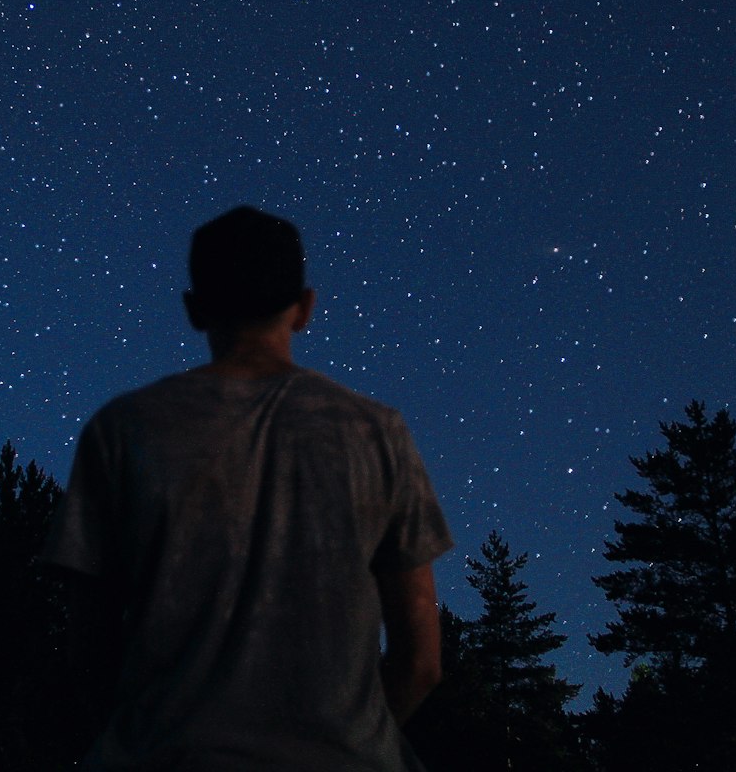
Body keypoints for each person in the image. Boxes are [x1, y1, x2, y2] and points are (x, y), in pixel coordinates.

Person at [45, 205, 452, 771]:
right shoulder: (377, 435)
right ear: (306, 308)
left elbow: (87, 653)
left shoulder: (122, 431)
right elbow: (420, 662)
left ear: (193, 309)